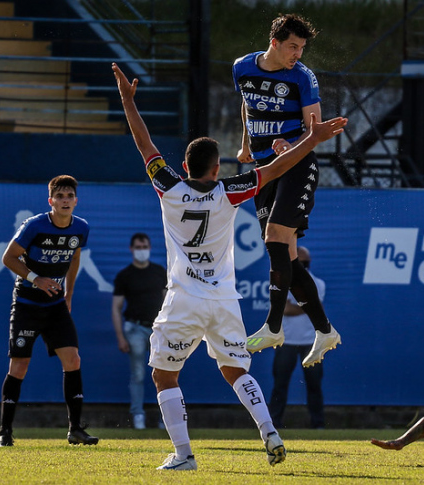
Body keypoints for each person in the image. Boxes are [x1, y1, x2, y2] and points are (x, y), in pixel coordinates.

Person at [113, 62, 346, 470]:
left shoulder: (168, 186)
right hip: (223, 299)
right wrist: (313, 137)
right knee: (236, 371)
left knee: (164, 377)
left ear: (185, 167)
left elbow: (144, 144)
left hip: (183, 297)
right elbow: (277, 168)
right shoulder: (231, 190)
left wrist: (128, 102)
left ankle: (184, 455)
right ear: (216, 168)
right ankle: (270, 432)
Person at [232, 13, 340, 367]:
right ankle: (325, 331)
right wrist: (247, 143)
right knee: (286, 257)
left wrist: (291, 145)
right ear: (274, 42)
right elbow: (248, 107)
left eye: (302, 47)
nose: (298, 53)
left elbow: (315, 133)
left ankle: (273, 326)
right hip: (265, 171)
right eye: (293, 46)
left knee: (275, 236)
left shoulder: (302, 77)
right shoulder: (243, 68)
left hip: (296, 165)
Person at [0, 175, 98, 447]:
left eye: (69, 196)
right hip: (27, 304)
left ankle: (75, 429)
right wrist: (36, 278)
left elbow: (75, 256)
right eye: (60, 197)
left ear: (76, 201)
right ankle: (5, 431)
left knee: (73, 360)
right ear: (50, 201)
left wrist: (70, 292)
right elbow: (8, 257)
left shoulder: (81, 228)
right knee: (19, 365)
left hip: (55, 305)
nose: (65, 201)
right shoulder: (35, 226)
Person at [111, 232, 167, 430]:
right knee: (138, 375)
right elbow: (116, 308)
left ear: (149, 249)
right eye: (138, 248)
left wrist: (170, 329)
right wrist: (120, 337)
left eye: (144, 247)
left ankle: (165, 418)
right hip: (134, 327)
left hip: (158, 330)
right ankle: (138, 416)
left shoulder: (160, 271)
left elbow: (169, 302)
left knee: (163, 374)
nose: (141, 251)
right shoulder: (124, 275)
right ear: (131, 249)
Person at [268, 246, 325, 429]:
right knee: (280, 385)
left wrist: (295, 306)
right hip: (286, 342)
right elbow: (287, 309)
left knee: (314, 386)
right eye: (299, 261)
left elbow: (292, 308)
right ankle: (273, 424)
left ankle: (318, 424)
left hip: (311, 342)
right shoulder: (280, 282)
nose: (303, 265)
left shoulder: (318, 283)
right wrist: (305, 305)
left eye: (305, 262)